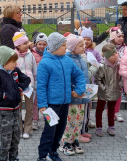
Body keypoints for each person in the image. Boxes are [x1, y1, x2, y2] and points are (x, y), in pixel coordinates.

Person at [36, 32, 86, 161]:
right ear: (55, 47)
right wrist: (42, 105)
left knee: (60, 130)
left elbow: (79, 75)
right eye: (63, 45)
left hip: (65, 103)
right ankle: (42, 155)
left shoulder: (67, 60)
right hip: (50, 106)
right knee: (49, 131)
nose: (66, 48)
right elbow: (41, 86)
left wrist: (80, 90)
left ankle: (53, 152)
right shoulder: (44, 63)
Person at [0, 46, 31, 161]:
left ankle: (13, 158)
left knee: (15, 138)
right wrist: (5, 95)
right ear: (4, 62)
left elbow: (26, 79)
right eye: (13, 62)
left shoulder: (15, 71)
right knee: (6, 140)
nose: (15, 64)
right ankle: (3, 159)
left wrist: (19, 89)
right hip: (4, 112)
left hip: (16, 110)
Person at [60, 34, 90, 156]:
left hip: (82, 96)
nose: (84, 47)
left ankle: (74, 140)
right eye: (81, 45)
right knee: (70, 120)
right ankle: (65, 142)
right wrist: (74, 91)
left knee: (79, 120)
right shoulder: (67, 60)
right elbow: (67, 79)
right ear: (72, 47)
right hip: (73, 96)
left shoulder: (81, 58)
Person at [94, 43, 122, 137]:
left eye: (116, 53)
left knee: (111, 109)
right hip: (104, 92)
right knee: (100, 109)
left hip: (115, 90)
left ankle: (111, 126)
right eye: (113, 54)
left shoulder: (119, 64)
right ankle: (99, 127)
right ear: (108, 56)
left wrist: (120, 85)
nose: (116, 55)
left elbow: (121, 76)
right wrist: (104, 89)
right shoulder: (102, 66)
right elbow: (97, 79)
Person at [13, 31, 37, 139]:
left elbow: (34, 70)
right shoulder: (14, 56)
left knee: (29, 108)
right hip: (18, 86)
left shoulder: (30, 55)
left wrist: (34, 83)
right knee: (18, 108)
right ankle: (19, 128)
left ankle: (27, 129)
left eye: (27, 42)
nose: (28, 45)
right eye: (25, 43)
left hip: (29, 86)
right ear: (18, 45)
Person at [109, 27, 127, 122]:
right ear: (112, 37)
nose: (121, 38)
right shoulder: (109, 47)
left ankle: (116, 111)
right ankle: (110, 111)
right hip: (111, 75)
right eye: (118, 36)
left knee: (119, 94)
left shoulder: (125, 48)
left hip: (120, 75)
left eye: (122, 36)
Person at [31, 32, 48, 130]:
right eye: (39, 44)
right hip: (36, 82)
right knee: (35, 103)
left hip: (46, 83)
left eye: (44, 44)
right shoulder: (32, 53)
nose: (41, 46)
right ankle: (35, 120)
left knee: (46, 103)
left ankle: (47, 120)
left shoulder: (49, 54)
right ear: (36, 44)